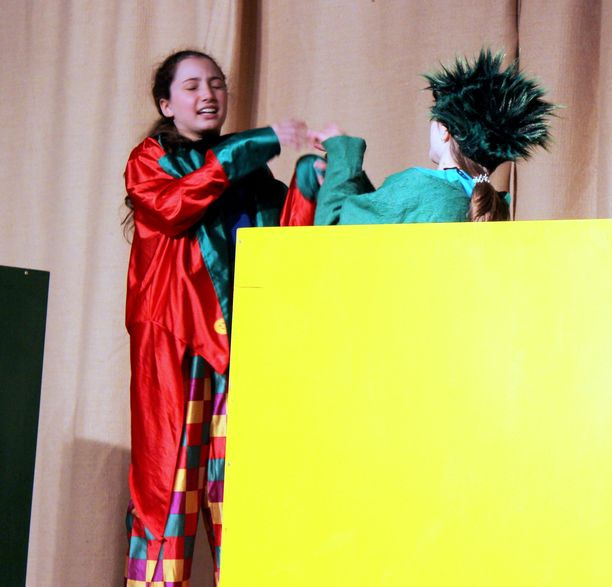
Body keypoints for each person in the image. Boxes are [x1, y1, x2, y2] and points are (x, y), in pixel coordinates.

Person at [122, 49, 311, 586]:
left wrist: (310, 181)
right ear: (166, 104)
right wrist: (255, 143)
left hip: (239, 345)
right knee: (170, 485)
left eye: (216, 83)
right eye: (192, 86)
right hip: (178, 339)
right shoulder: (150, 159)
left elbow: (282, 241)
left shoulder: (246, 168)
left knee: (239, 488)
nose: (208, 94)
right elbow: (175, 206)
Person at [312, 49, 555, 225]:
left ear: (445, 130)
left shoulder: (418, 188)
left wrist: (342, 152)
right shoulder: (493, 207)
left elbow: (334, 235)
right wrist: (350, 177)